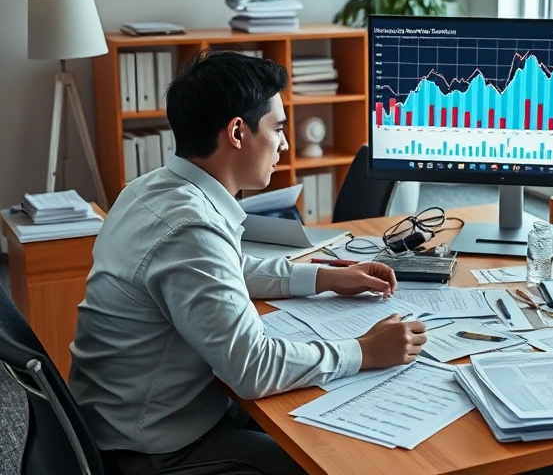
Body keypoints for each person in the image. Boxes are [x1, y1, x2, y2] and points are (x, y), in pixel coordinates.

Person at [69, 50, 427, 475]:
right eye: (277, 128)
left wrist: (327, 276)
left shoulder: (153, 188)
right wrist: (365, 351)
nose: (285, 144)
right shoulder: (189, 229)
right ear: (238, 132)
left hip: (121, 418)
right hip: (154, 449)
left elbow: (229, 268)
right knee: (324, 460)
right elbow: (254, 369)